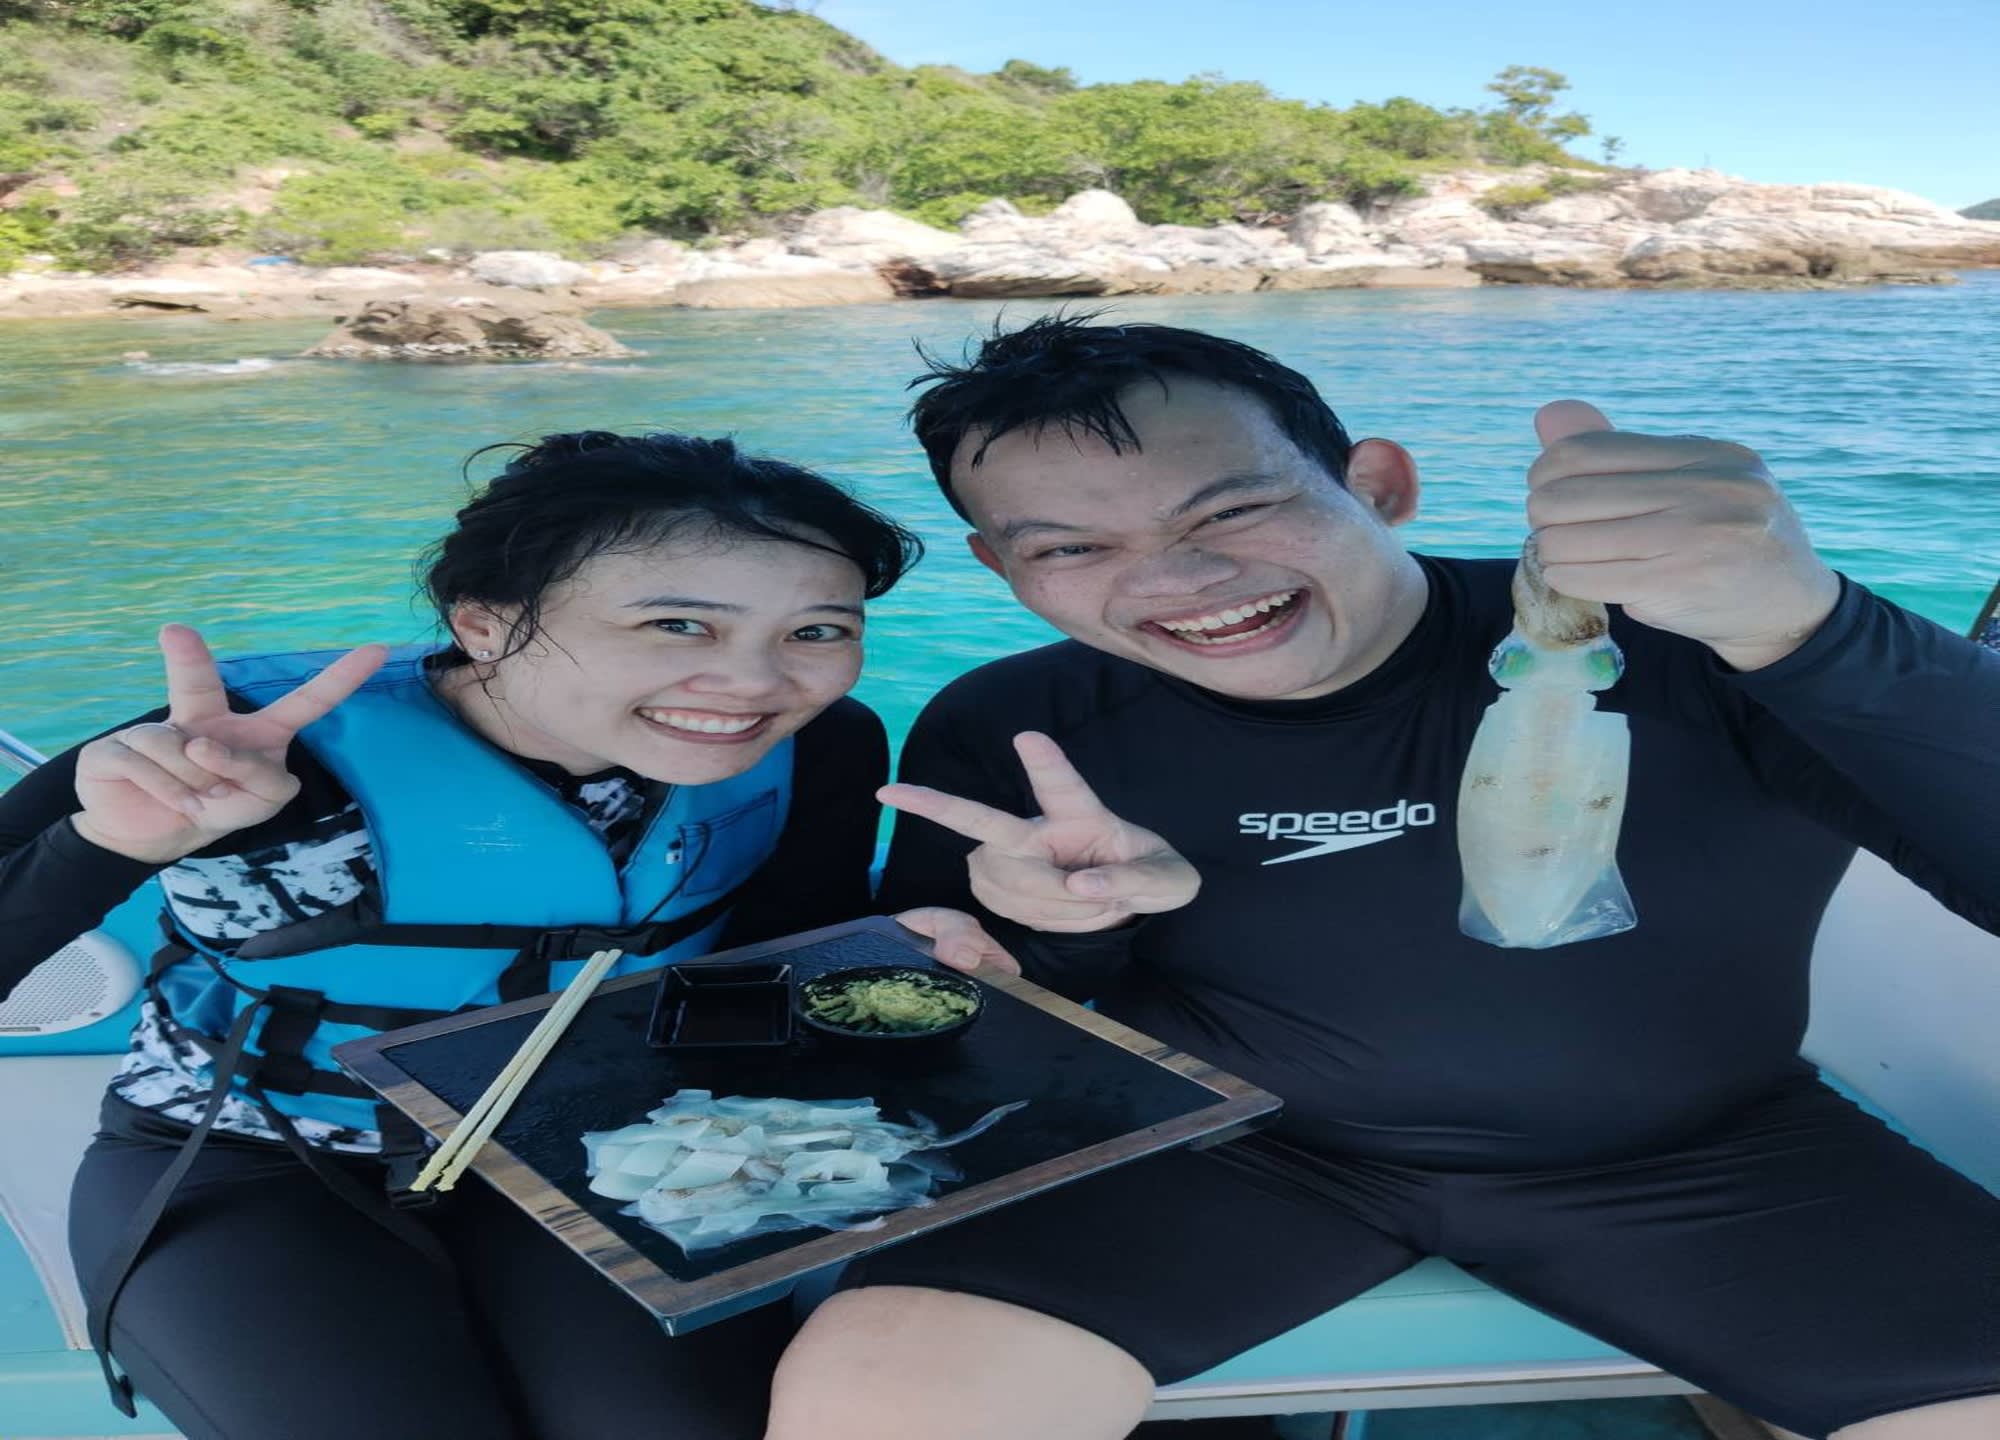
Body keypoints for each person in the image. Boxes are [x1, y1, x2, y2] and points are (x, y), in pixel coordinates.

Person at [764, 318, 2000, 1440]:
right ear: (1001, 569)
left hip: (1711, 1160)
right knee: (877, 1393)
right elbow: (962, 1021)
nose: (1177, 581)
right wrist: (1061, 932)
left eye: (1231, 512)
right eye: (1073, 547)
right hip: (1208, 1153)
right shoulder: (1013, 722)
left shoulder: (1690, 647)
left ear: (1375, 484)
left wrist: (1811, 627)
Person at [0, 430, 922, 1440]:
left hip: (605, 1145)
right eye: (677, 624)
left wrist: (912, 967)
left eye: (816, 631)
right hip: (258, 1155)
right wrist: (105, 845)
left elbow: (785, 953)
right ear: (485, 623)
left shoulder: (821, 747)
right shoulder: (238, 755)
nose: (755, 682)